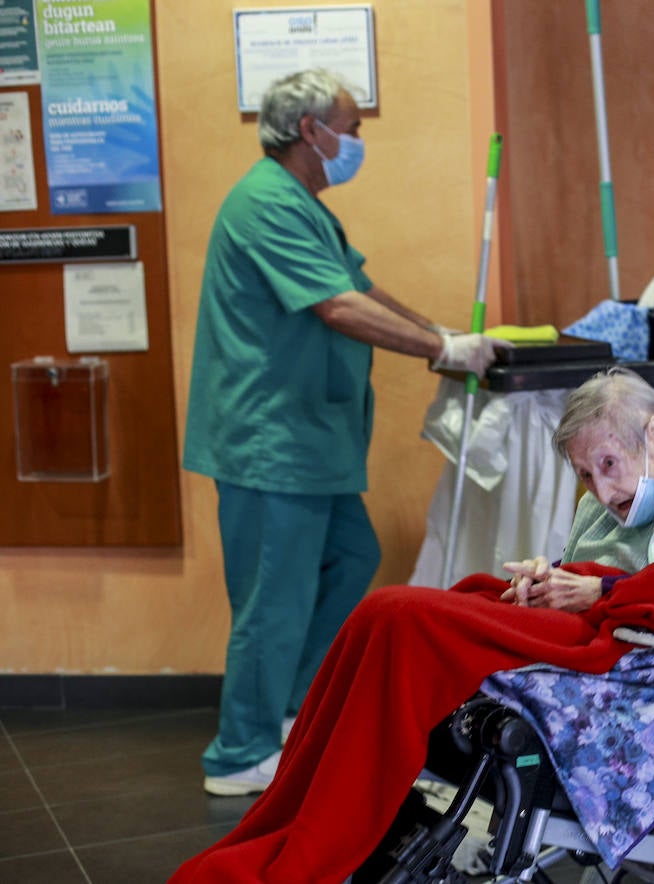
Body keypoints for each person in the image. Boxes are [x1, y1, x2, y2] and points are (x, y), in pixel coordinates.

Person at [169, 368, 654, 883]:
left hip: (647, 659)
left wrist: (599, 589)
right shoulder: (634, 488)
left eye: (607, 463)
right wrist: (548, 588)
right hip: (605, 627)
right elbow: (599, 574)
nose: (600, 491)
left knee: (403, 618)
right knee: (381, 611)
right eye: (583, 474)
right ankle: (297, 816)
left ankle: (321, 844)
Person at [183, 67, 509, 798]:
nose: (358, 141)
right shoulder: (265, 203)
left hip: (309, 440)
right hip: (270, 441)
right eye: (352, 127)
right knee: (274, 598)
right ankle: (239, 752)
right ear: (312, 131)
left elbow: (359, 286)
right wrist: (438, 352)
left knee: (351, 556)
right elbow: (336, 308)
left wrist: (441, 332)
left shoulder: (303, 205)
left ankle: (295, 707)